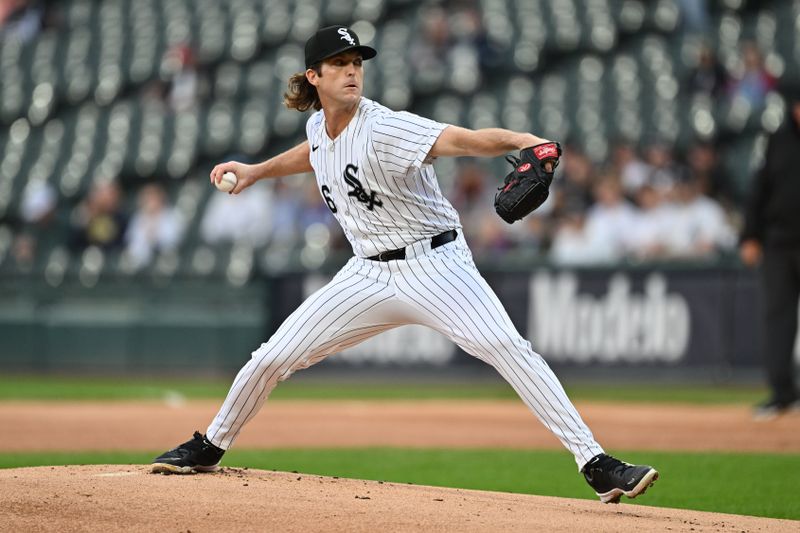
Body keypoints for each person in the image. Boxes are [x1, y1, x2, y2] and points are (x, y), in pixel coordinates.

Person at [152, 25, 658, 504]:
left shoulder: (386, 127)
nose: (352, 71)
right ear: (314, 77)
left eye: (356, 63)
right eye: (338, 63)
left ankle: (594, 463)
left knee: (506, 346)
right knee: (271, 357)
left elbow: (467, 139)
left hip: (437, 264)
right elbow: (315, 151)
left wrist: (526, 143)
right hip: (367, 273)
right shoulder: (319, 125)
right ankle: (210, 446)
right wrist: (258, 171)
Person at [739, 88, 800, 420]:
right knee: (778, 317)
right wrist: (750, 234)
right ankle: (782, 393)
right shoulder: (776, 141)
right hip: (779, 242)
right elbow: (757, 190)